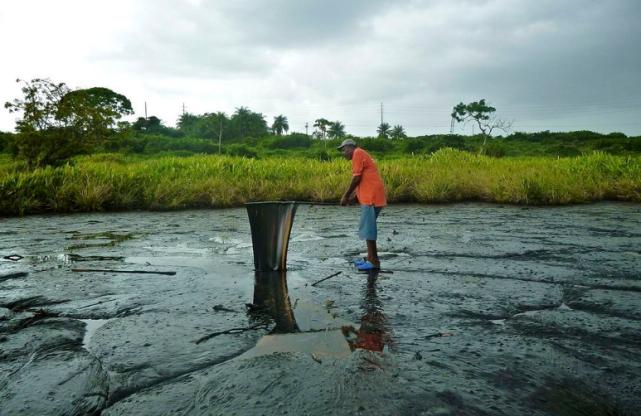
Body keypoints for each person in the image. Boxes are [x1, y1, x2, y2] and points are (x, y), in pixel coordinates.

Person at [337, 139, 387, 271]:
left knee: (368, 230)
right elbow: (362, 181)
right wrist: (353, 198)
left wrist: (346, 195)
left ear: (351, 147)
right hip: (371, 197)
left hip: (371, 198)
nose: (343, 152)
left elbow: (356, 178)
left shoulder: (358, 153)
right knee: (367, 228)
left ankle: (374, 262)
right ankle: (370, 258)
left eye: (344, 149)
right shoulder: (361, 154)